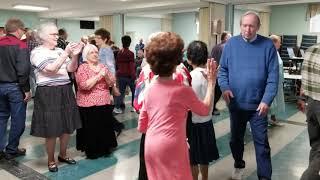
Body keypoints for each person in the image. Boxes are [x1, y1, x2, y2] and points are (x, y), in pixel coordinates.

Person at [138, 32, 217, 180]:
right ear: (177, 60)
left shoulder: (149, 88)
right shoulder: (182, 90)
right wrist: (211, 83)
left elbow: (142, 126)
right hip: (174, 145)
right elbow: (204, 110)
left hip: (151, 146)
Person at [218, 11, 279, 180]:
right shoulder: (231, 45)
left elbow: (273, 77)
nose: (247, 29)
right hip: (236, 104)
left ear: (258, 27)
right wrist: (225, 87)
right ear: (240, 26)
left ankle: (265, 177)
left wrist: (267, 100)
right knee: (235, 141)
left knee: (262, 145)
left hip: (258, 107)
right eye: (244, 25)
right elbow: (222, 70)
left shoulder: (268, 46)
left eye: (251, 25)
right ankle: (239, 163)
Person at [30, 22, 83, 172]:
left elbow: (71, 68)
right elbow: (51, 70)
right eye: (53, 34)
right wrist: (66, 53)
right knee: (52, 129)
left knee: (68, 126)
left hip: (66, 89)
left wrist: (75, 56)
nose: (56, 36)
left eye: (56, 33)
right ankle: (51, 159)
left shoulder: (60, 50)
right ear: (42, 37)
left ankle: (63, 154)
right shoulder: (37, 52)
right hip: (48, 92)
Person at [75, 44, 117, 159]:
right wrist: (99, 76)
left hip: (104, 101)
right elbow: (84, 86)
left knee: (104, 126)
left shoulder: (103, 66)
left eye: (96, 52)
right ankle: (92, 151)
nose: (95, 54)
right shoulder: (82, 68)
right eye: (91, 52)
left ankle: (105, 148)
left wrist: (107, 77)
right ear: (85, 55)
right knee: (91, 128)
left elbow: (110, 83)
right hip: (88, 103)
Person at [187, 40, 220, 180]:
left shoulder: (191, 76)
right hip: (207, 122)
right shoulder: (210, 74)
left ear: (189, 58)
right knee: (204, 156)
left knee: (193, 158)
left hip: (193, 123)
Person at [0, 18, 31, 160]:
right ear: (19, 29)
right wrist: (26, 89)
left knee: (1, 118)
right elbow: (23, 70)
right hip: (15, 88)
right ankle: (11, 150)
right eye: (22, 30)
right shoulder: (21, 45)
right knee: (18, 120)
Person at [297, 42, 320, 180]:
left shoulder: (311, 50)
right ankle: (308, 177)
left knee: (316, 145)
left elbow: (304, 79)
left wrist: (301, 98)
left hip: (311, 104)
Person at [210, 31, 231, 115]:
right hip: (222, 73)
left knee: (215, 92)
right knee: (219, 92)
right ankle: (213, 108)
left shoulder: (216, 47)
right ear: (226, 38)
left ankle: (212, 107)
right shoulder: (226, 47)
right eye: (230, 37)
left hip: (215, 71)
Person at [114, 35, 136, 114]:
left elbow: (116, 64)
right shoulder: (131, 53)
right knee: (135, 91)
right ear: (130, 43)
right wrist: (134, 77)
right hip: (129, 76)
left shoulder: (119, 53)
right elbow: (131, 66)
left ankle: (117, 107)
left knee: (121, 92)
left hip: (120, 75)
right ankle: (134, 107)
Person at [268, 35, 285, 126]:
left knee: (276, 102)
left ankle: (273, 118)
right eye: (279, 42)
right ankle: (265, 120)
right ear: (274, 42)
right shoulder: (269, 52)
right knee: (270, 102)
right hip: (271, 82)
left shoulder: (276, 52)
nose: (280, 44)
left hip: (277, 82)